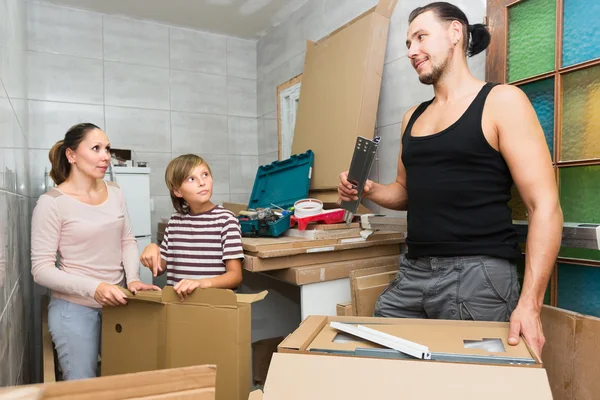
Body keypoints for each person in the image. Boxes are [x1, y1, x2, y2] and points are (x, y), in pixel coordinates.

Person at [338, 2, 562, 358]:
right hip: (414, 269)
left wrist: (530, 304)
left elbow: (544, 205)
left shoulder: (502, 101)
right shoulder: (412, 117)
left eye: (420, 37)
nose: (412, 51)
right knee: (387, 363)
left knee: (471, 384)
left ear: (455, 33)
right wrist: (369, 190)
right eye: (408, 43)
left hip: (479, 274)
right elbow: (406, 192)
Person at [30, 123, 160, 381]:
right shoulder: (51, 203)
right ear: (71, 155)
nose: (106, 156)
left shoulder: (115, 191)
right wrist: (95, 288)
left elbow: (127, 239)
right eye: (96, 148)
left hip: (120, 302)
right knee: (83, 388)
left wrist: (133, 278)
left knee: (124, 381)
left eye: (107, 149)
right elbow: (41, 270)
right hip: (74, 309)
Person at [140, 154, 243, 300]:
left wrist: (200, 284)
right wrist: (153, 250)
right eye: (191, 179)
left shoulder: (226, 220)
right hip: (180, 306)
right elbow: (160, 268)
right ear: (177, 191)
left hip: (214, 307)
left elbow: (235, 276)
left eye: (205, 174)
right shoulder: (175, 221)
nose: (202, 182)